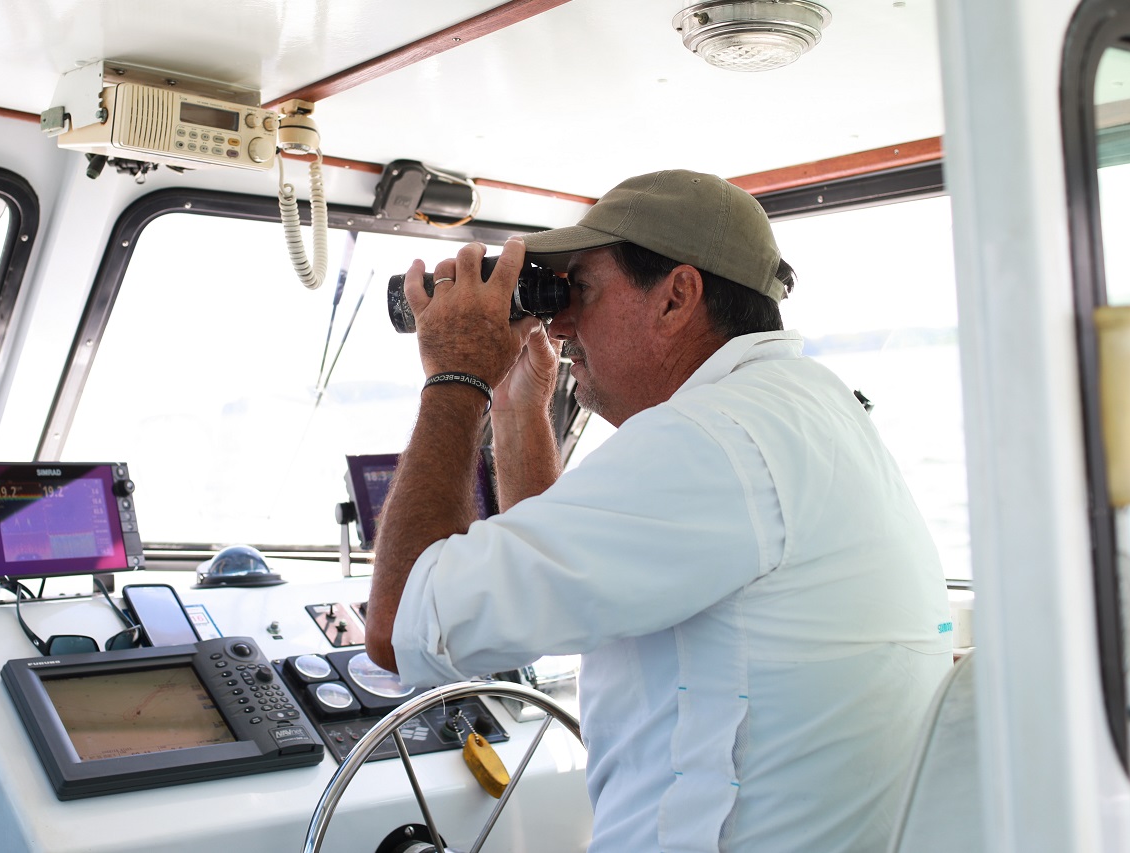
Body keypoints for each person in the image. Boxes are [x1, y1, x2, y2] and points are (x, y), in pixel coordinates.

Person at [365, 170, 953, 852]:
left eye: (577, 290)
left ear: (676, 296)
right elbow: (552, 571)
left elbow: (401, 622)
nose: (557, 324)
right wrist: (515, 403)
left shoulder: (711, 439)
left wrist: (455, 374)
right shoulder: (795, 409)